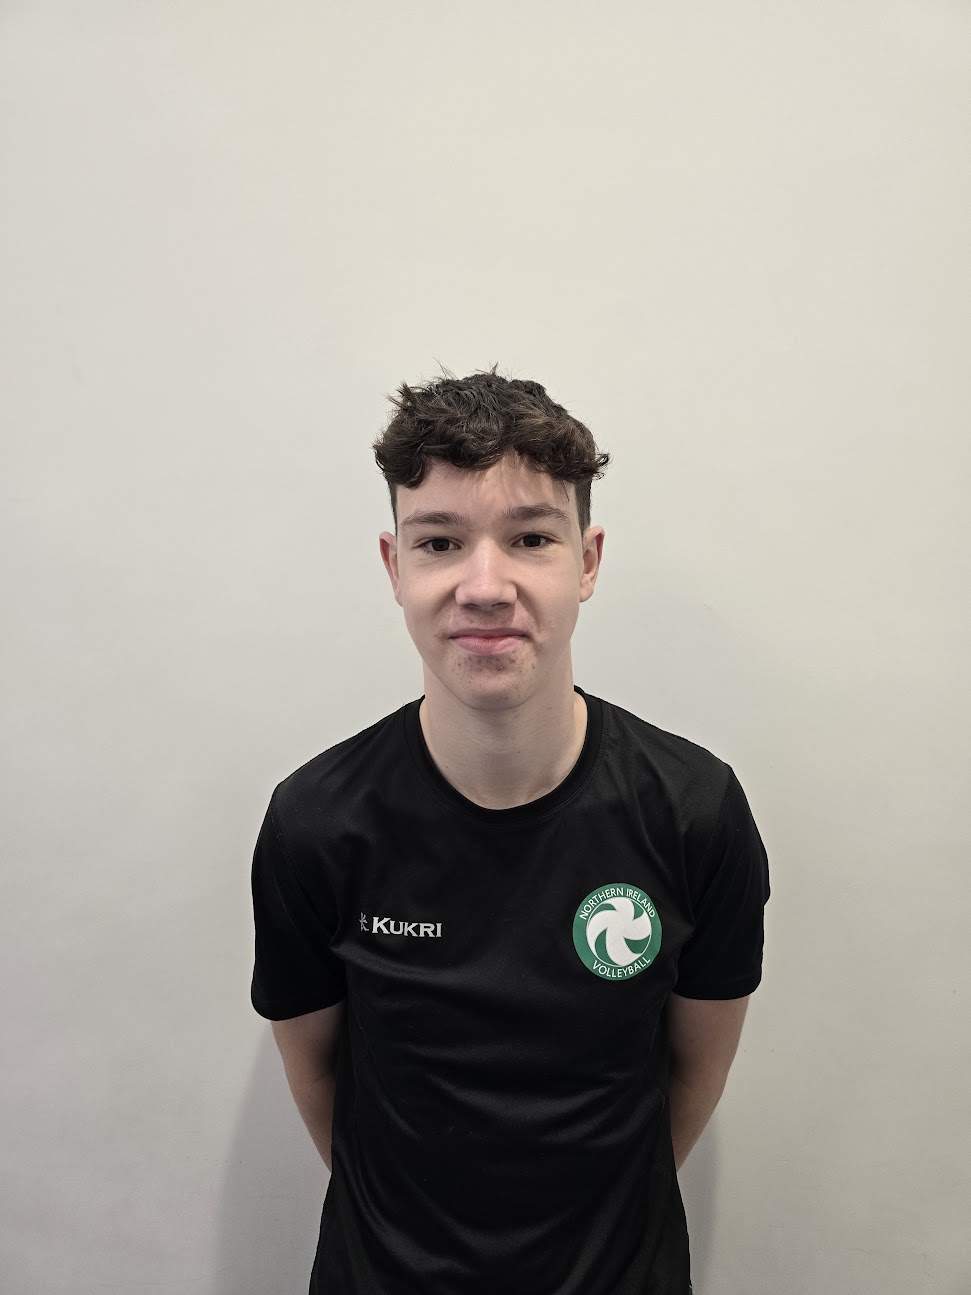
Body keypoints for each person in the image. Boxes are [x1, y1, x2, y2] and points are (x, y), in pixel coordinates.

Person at [249, 364, 770, 1294]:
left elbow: (690, 1077)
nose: (484, 586)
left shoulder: (695, 813)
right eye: (440, 541)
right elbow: (320, 1081)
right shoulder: (315, 823)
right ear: (395, 566)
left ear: (587, 561)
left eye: (530, 537)